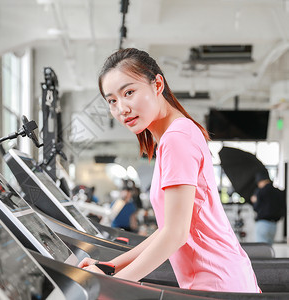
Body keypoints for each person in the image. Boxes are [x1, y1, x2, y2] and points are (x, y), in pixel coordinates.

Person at [78, 48, 260, 293]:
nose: (121, 108)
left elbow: (176, 234)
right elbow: (168, 229)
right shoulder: (175, 135)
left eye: (129, 92)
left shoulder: (177, 138)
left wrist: (112, 285)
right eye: (112, 101)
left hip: (218, 283)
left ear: (158, 84)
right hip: (219, 280)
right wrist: (111, 266)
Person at [250, 170, 286, 245]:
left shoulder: (260, 191)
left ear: (260, 181)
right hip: (274, 225)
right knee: (269, 249)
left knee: (261, 249)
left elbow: (256, 208)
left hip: (262, 223)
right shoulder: (278, 192)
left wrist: (255, 200)